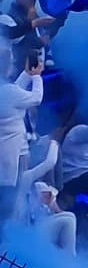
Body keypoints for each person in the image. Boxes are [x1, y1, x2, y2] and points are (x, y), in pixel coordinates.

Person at [0, 52, 43, 218]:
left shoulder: (6, 91)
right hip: (14, 153)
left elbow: (15, 92)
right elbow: (36, 98)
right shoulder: (9, 92)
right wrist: (37, 76)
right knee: (11, 201)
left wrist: (26, 74)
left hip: (5, 151)